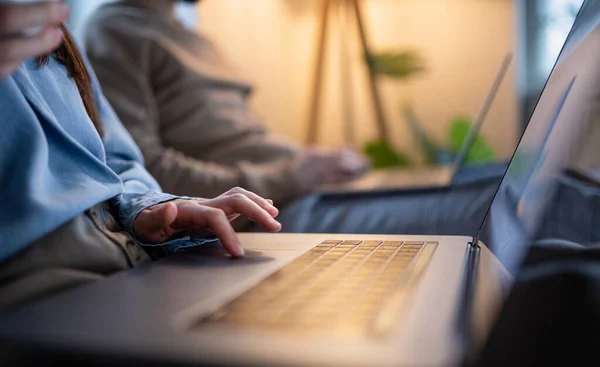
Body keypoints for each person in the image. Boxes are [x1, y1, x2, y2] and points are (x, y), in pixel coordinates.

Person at [82, 0, 508, 235]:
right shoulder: (116, 29)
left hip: (307, 190)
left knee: (504, 177)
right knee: (508, 202)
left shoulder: (196, 38)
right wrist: (292, 176)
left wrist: (314, 163)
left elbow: (244, 140)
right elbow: (147, 170)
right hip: (277, 210)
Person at [0, 2, 282, 311]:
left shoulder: (56, 36)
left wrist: (151, 208)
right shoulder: (115, 27)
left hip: (135, 267)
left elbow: (118, 162)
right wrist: (291, 177)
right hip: (41, 300)